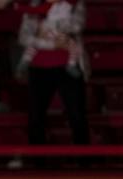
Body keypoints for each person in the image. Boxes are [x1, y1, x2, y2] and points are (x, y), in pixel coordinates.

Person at [17, 0, 89, 147]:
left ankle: (84, 164)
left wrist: (47, 27)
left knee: (77, 117)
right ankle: (38, 164)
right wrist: (52, 44)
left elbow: (77, 25)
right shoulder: (34, 4)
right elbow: (24, 37)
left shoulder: (76, 3)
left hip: (69, 66)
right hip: (39, 67)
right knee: (35, 117)